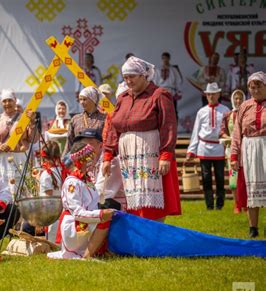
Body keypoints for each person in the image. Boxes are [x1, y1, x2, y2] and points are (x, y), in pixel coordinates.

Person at [103, 56, 181, 222]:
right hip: (129, 157)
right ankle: (138, 234)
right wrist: (107, 156)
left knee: (150, 196)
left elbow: (168, 125)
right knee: (133, 195)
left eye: (132, 77)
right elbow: (112, 127)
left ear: (144, 75)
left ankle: (153, 234)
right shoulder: (123, 98)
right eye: (125, 77)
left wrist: (166, 155)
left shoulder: (159, 95)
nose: (128, 81)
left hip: (150, 154)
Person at [48, 142, 114, 260]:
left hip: (86, 220)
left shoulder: (86, 180)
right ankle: (86, 256)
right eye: (89, 157)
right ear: (82, 160)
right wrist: (101, 214)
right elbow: (77, 213)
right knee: (104, 220)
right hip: (75, 224)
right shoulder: (72, 183)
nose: (93, 160)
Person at [231, 71, 266, 238]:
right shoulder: (244, 106)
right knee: (252, 187)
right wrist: (234, 156)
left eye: (258, 86)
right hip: (250, 148)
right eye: (252, 87)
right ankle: (253, 228)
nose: (255, 90)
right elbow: (237, 133)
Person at [186, 82, 230, 210]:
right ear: (206, 95)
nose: (211, 96)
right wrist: (191, 150)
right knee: (206, 178)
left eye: (213, 94)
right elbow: (196, 131)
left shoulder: (225, 110)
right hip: (204, 148)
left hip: (219, 148)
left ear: (218, 94)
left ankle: (220, 205)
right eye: (209, 94)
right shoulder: (201, 112)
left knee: (220, 178)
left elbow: (229, 129)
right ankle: (209, 205)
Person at [0, 89, 37, 194]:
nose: (7, 103)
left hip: (20, 159)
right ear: (1, 103)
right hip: (2, 160)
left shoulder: (24, 119)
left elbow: (34, 139)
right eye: (4, 101)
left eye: (10, 100)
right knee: (4, 189)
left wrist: (32, 123)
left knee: (22, 190)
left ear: (15, 101)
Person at [220, 89, 246, 214]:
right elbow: (222, 132)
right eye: (236, 98)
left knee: (245, 178)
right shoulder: (227, 115)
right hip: (231, 151)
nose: (238, 101)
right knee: (233, 180)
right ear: (232, 100)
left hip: (246, 150)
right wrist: (228, 138)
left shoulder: (247, 113)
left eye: (240, 98)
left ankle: (245, 203)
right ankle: (237, 204)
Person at [64, 86, 106, 156]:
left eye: (84, 99)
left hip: (98, 157)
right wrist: (64, 160)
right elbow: (69, 142)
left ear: (93, 100)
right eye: (80, 100)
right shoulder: (75, 119)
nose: (82, 102)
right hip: (79, 159)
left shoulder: (104, 119)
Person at [153, 52, 183, 120]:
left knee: (173, 110)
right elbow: (155, 82)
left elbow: (178, 81)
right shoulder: (158, 69)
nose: (165, 60)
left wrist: (178, 91)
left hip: (171, 92)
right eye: (164, 58)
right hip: (161, 92)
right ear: (162, 59)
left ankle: (174, 128)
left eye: (166, 58)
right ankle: (162, 128)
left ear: (169, 59)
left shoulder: (174, 69)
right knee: (161, 110)